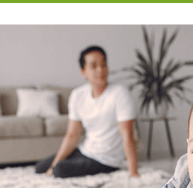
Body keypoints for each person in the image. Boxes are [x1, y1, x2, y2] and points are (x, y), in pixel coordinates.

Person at [35, 46, 139, 178]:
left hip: (107, 160)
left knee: (59, 170)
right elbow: (72, 135)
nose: (100, 69)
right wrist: (53, 164)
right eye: (94, 66)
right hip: (86, 151)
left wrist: (133, 172)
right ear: (83, 72)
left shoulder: (120, 93)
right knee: (40, 167)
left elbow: (128, 135)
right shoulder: (78, 95)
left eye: (103, 64)